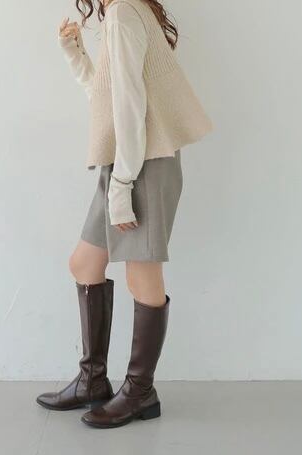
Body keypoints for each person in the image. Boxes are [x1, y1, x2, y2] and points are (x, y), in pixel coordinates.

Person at [36, 0, 212, 428]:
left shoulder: (122, 13)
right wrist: (76, 56)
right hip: (126, 160)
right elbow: (110, 101)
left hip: (141, 165)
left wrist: (122, 186)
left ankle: (139, 391)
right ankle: (92, 381)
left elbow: (132, 106)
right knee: (84, 263)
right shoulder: (124, 12)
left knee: (142, 276)